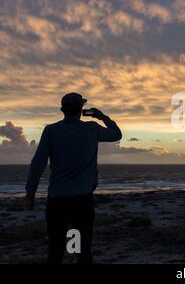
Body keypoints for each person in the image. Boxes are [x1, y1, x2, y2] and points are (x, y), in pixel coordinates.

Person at [24, 92, 122, 264]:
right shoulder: (91, 128)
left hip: (57, 201)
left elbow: (37, 165)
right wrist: (101, 116)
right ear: (81, 109)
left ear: (62, 110)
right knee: (82, 252)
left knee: (55, 251)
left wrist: (30, 195)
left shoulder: (51, 131)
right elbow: (116, 134)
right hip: (82, 201)